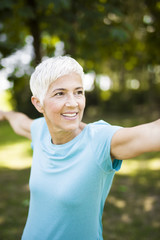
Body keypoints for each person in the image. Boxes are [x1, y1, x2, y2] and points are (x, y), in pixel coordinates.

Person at [0, 56, 160, 240]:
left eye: (78, 92)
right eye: (60, 93)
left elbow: (153, 132)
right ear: (38, 103)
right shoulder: (40, 130)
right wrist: (4, 114)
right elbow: (19, 121)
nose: (73, 103)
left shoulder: (100, 142)